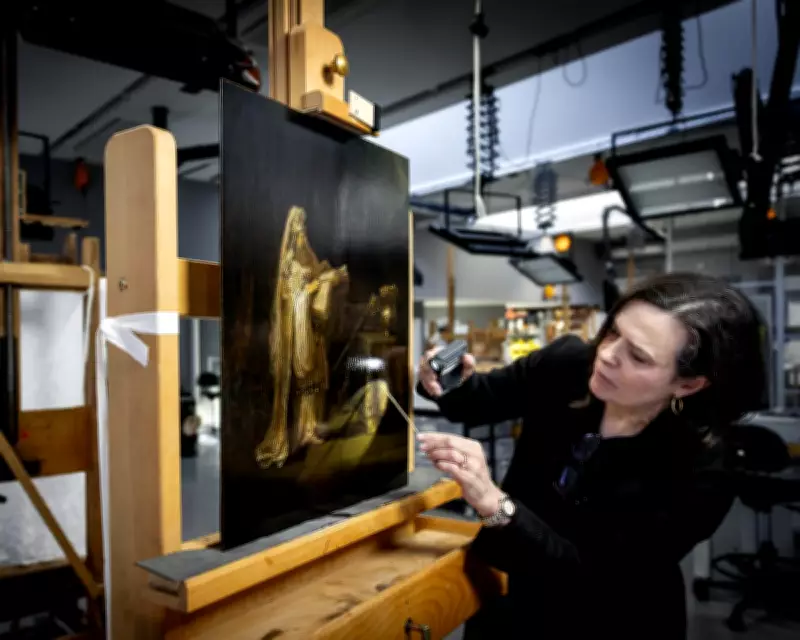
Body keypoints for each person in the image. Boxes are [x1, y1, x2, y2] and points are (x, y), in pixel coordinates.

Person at [416, 273, 766, 640]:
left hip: (607, 618)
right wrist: (444, 377)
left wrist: (495, 504)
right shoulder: (568, 365)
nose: (607, 355)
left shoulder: (704, 466)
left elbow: (596, 574)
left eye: (638, 356)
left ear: (688, 384)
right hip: (511, 603)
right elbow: (477, 399)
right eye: (613, 332)